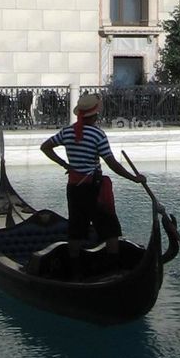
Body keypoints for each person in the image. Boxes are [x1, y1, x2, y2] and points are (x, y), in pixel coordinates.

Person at [40, 92, 145, 259]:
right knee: (110, 231)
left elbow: (45, 147)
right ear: (95, 114)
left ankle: (74, 271)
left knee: (76, 229)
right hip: (94, 190)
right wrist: (134, 178)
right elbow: (112, 163)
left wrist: (65, 165)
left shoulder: (67, 132)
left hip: (74, 188)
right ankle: (113, 268)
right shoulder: (98, 135)